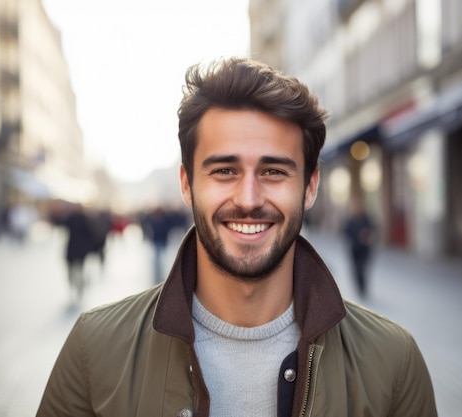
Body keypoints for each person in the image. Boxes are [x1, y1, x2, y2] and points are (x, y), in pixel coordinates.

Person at [37, 57, 437, 417]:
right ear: (187, 184)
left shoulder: (392, 363)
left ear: (310, 186)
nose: (248, 200)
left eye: (274, 172)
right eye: (224, 171)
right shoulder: (96, 349)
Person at [343, 197, 377, 297]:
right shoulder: (351, 220)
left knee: (362, 268)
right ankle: (359, 287)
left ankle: (363, 287)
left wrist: (368, 236)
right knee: (356, 269)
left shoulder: (367, 219)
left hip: (365, 250)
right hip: (354, 249)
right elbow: (346, 232)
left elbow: (374, 231)